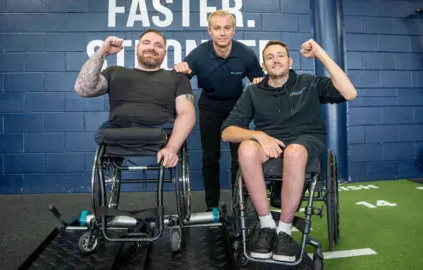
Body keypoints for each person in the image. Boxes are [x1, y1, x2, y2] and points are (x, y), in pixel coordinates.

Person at [220, 39, 357, 262]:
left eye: (281, 55)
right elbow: (227, 132)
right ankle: (266, 226)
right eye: (270, 57)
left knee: (294, 152)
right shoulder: (253, 91)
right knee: (246, 148)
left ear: (290, 61)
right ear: (264, 65)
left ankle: (284, 230)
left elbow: (349, 93)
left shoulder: (308, 82)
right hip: (271, 144)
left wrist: (320, 54)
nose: (276, 60)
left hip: (306, 141)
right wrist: (259, 135)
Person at [173, 10, 265, 211]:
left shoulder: (246, 54)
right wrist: (181, 70)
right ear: (209, 31)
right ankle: (211, 206)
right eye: (217, 28)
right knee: (210, 156)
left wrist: (260, 83)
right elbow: (180, 80)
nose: (222, 33)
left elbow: (259, 82)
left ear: (233, 30)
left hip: (237, 107)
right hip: (209, 105)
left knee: (239, 156)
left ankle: (239, 202)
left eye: (226, 28)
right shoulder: (198, 54)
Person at [74, 29, 196, 168]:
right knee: (102, 133)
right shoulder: (115, 72)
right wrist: (103, 52)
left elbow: (187, 114)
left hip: (160, 130)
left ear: (165, 53)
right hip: (119, 129)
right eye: (146, 43)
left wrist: (172, 148)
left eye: (158, 45)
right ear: (137, 48)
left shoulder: (177, 77)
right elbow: (83, 88)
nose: (151, 47)